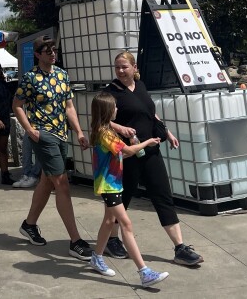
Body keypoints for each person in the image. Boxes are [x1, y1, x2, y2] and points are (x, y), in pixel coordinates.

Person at [104, 51, 203, 266]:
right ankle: (112, 239)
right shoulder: (111, 92)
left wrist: (166, 132)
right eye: (117, 67)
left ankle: (180, 247)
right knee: (121, 200)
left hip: (150, 151)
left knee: (163, 196)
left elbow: (150, 113)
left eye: (124, 67)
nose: (120, 71)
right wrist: (119, 126)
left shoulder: (140, 86)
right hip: (126, 155)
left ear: (134, 67)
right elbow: (100, 120)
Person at [13, 36, 93, 260]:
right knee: (62, 183)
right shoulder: (30, 78)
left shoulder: (61, 74)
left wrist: (78, 131)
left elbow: (69, 106)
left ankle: (29, 225)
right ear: (38, 54)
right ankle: (75, 241)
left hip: (61, 134)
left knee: (47, 181)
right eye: (47, 51)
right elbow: (17, 105)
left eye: (54, 50)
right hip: (43, 135)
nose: (52, 54)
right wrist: (29, 130)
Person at [88, 92, 169, 286]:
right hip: (109, 185)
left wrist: (134, 144)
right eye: (115, 106)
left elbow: (125, 154)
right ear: (108, 110)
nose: (117, 109)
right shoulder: (105, 133)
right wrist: (148, 141)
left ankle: (96, 258)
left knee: (109, 222)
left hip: (112, 183)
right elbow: (128, 152)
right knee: (126, 224)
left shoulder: (106, 131)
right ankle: (144, 272)